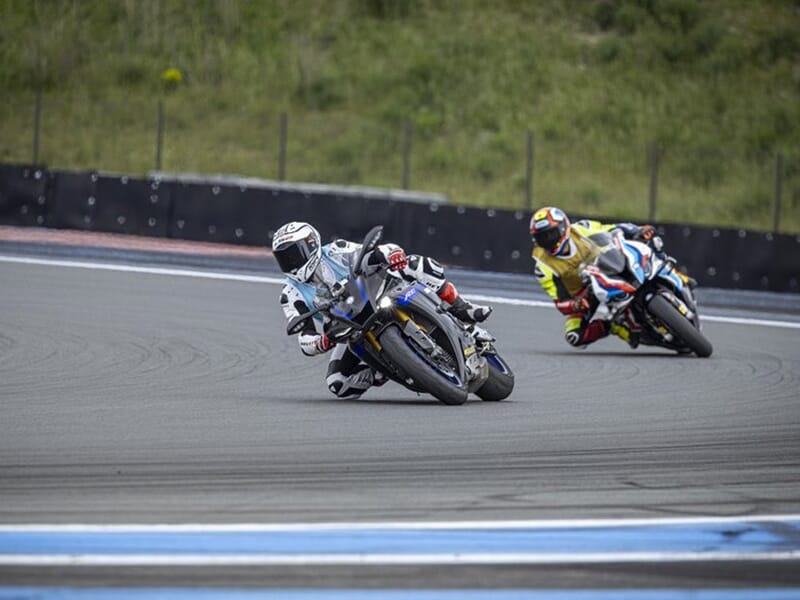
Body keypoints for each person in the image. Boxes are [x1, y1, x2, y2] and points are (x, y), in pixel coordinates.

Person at [273, 221, 492, 399]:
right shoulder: (291, 293)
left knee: (414, 264)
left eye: (294, 254)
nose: (291, 262)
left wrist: (391, 254)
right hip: (351, 328)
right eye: (284, 259)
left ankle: (462, 309)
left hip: (379, 292)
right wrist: (321, 342)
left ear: (311, 244)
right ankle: (383, 370)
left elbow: (371, 254)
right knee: (337, 383)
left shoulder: (336, 250)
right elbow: (304, 337)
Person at [529, 206, 695, 349]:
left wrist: (637, 230)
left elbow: (611, 228)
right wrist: (575, 304)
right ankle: (617, 326)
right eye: (542, 238)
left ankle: (675, 274)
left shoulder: (580, 229)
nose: (548, 241)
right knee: (575, 337)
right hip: (584, 294)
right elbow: (559, 301)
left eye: (551, 234)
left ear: (563, 227)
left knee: (651, 243)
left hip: (606, 265)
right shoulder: (543, 267)